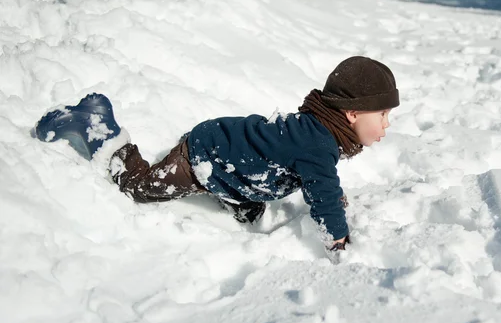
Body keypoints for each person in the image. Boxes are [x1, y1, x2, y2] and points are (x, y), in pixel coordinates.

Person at [34, 56, 399, 250]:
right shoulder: (317, 144)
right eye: (381, 114)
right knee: (139, 187)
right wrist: (336, 238)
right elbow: (322, 196)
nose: (386, 125)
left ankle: (234, 195)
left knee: (251, 210)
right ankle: (98, 128)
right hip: (203, 158)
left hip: (230, 154)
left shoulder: (319, 135)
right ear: (352, 113)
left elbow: (321, 182)